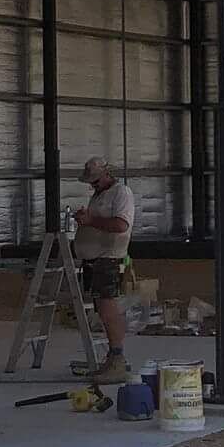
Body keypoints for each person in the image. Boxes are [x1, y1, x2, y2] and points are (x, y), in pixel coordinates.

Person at [69, 155, 135, 381]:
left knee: (108, 309)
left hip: (109, 258)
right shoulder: (100, 195)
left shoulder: (121, 193)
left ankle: (117, 358)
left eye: (95, 181)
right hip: (96, 260)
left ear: (107, 175)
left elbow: (120, 224)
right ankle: (112, 358)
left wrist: (91, 221)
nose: (93, 185)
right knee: (103, 309)